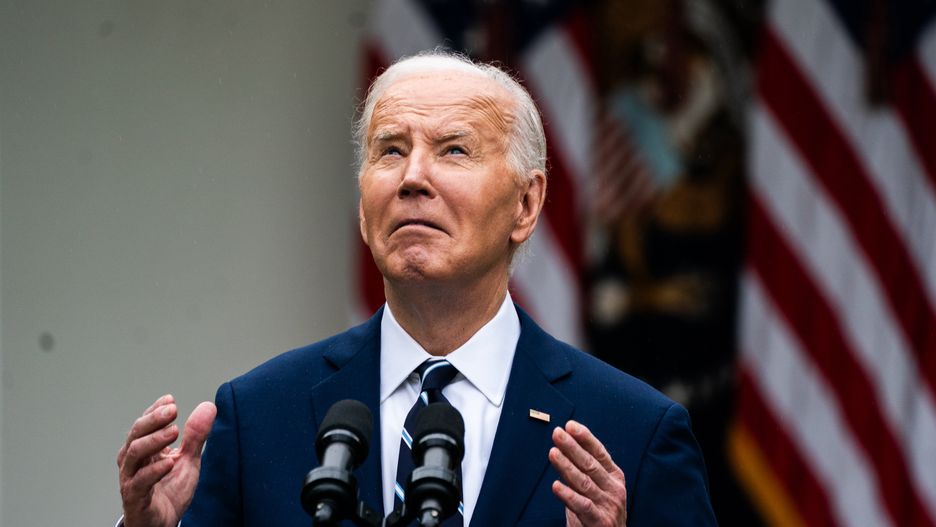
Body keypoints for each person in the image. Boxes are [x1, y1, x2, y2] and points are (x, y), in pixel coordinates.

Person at [116, 51, 716, 527]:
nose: (412, 178)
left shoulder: (632, 433)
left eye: (453, 150)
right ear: (362, 205)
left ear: (527, 204)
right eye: (391, 151)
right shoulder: (258, 417)